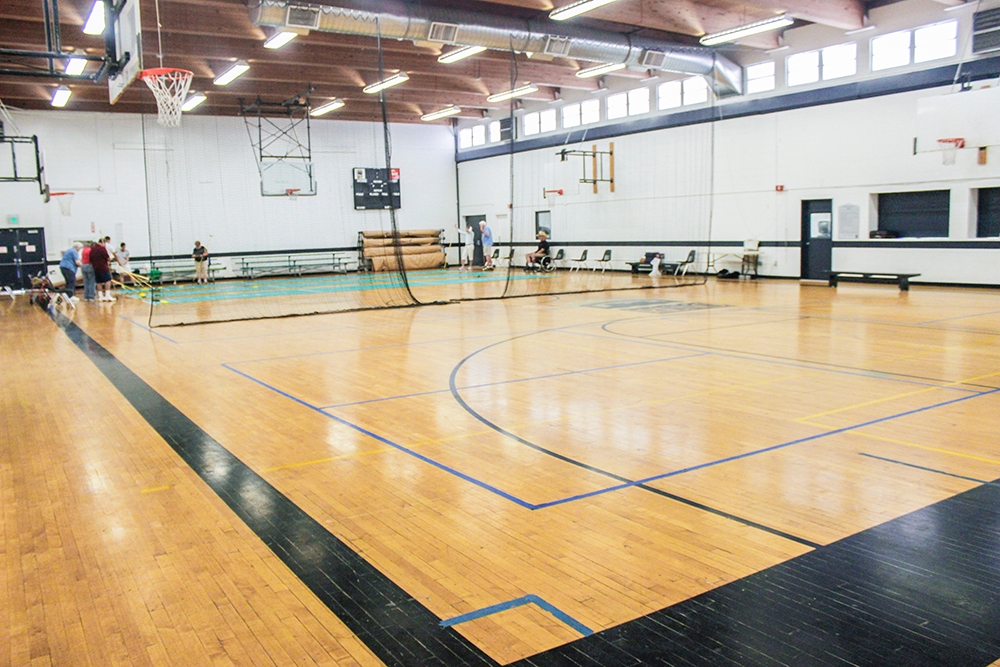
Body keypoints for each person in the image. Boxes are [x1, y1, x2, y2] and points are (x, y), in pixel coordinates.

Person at [90, 237, 114, 301]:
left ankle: (100, 296)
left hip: (95, 268)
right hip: (103, 267)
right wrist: (110, 259)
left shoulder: (92, 249)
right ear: (103, 242)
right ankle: (107, 295)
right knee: (108, 280)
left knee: (98, 282)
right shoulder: (102, 249)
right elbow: (107, 258)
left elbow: (91, 258)